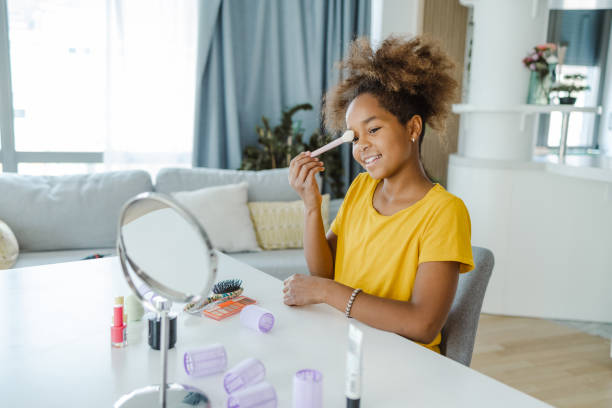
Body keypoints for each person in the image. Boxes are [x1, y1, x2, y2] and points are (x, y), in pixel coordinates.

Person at [283, 35, 474, 353]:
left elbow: (423, 325)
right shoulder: (361, 189)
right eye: (354, 137)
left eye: (373, 130)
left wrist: (327, 293)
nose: (362, 147)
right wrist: (311, 206)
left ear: (413, 128)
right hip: (344, 344)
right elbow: (325, 273)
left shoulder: (444, 212)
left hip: (401, 364)